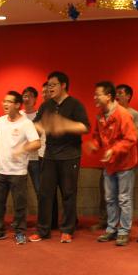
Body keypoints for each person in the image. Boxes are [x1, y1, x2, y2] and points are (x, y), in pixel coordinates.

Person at [31, 71, 90, 243]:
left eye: (53, 85)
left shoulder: (75, 104)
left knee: (68, 194)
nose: (50, 88)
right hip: (49, 155)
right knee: (44, 194)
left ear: (63, 85)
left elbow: (85, 127)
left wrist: (64, 125)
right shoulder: (46, 105)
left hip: (70, 156)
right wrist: (42, 127)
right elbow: (36, 124)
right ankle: (43, 230)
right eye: (48, 85)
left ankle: (67, 230)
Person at [0, 91, 40, 244]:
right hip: (0, 170)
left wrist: (23, 149)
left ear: (17, 105)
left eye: (9, 101)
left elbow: (37, 143)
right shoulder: (1, 121)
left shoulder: (26, 123)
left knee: (19, 205)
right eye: (4, 101)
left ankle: (20, 233)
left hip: (18, 172)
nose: (5, 104)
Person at [88, 81, 138, 246]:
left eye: (98, 95)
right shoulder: (100, 115)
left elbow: (130, 139)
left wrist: (114, 150)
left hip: (125, 164)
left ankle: (123, 231)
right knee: (110, 199)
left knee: (124, 199)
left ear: (108, 96)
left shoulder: (123, 114)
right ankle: (111, 229)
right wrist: (94, 145)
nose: (95, 98)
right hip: (109, 165)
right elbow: (97, 136)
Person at [38, 81, 59, 230]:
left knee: (65, 191)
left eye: (48, 91)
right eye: (43, 92)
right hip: (43, 154)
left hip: (61, 155)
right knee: (48, 190)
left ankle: (71, 221)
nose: (45, 94)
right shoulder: (43, 107)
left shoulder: (60, 107)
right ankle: (51, 221)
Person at [22, 86, 41, 196]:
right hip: (21, 158)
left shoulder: (39, 115)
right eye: (25, 96)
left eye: (30, 96)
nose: (27, 99)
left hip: (35, 158)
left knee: (39, 188)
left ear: (35, 99)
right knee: (19, 190)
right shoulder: (19, 115)